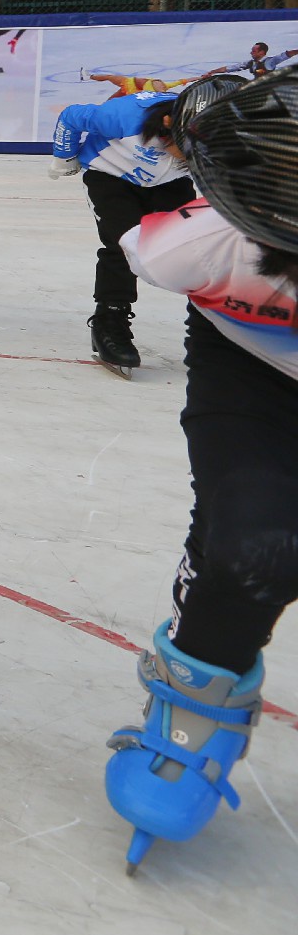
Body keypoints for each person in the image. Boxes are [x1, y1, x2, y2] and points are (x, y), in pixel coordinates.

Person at [103, 68, 298, 871]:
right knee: (254, 546)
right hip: (252, 376)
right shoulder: (190, 245)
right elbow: (132, 238)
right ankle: (197, 701)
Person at [49, 76, 236, 374]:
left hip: (170, 182)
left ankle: (213, 331)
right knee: (123, 244)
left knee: (196, 249)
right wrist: (65, 157)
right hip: (110, 174)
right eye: (190, 147)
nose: (196, 155)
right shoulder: (121, 117)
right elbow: (71, 116)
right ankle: (110, 320)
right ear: (166, 123)